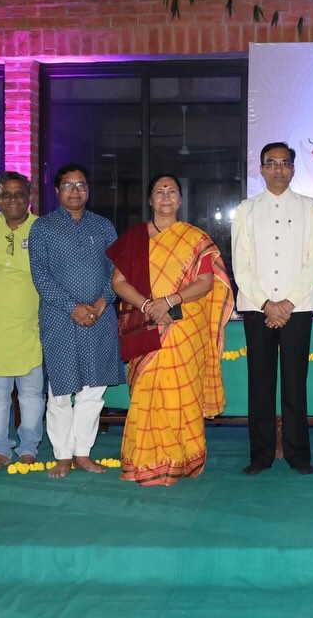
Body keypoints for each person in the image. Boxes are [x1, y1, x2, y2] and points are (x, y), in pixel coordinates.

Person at [108, 174, 234, 486]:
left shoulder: (196, 239)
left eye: (172, 191)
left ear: (179, 199)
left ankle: (182, 459)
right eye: (159, 191)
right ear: (150, 199)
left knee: (182, 394)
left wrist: (170, 301)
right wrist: (149, 306)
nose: (165, 197)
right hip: (146, 324)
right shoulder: (134, 239)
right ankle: (145, 461)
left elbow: (206, 283)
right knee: (148, 393)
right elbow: (118, 282)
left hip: (184, 328)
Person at [231, 143, 313, 476]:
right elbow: (240, 263)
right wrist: (265, 304)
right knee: (260, 381)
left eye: (285, 163)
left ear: (293, 169)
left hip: (297, 308)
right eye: (271, 163)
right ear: (261, 169)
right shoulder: (246, 209)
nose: (278, 169)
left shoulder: (309, 207)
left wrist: (286, 303)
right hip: (258, 308)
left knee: (294, 382)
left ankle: (299, 454)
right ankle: (261, 455)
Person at [29, 164, 124, 479]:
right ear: (57, 191)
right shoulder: (43, 227)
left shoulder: (104, 226)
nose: (75, 191)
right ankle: (62, 455)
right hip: (59, 318)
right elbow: (40, 276)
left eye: (81, 185)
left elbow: (117, 271)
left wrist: (100, 302)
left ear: (88, 190)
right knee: (60, 390)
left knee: (93, 390)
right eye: (68, 185)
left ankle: (82, 452)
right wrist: (73, 307)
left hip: (100, 316)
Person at [0, 171, 45, 472]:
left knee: (30, 394)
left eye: (19, 194)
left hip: (32, 328)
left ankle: (29, 448)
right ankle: (0, 449)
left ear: (29, 198)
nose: (13, 199)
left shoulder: (42, 229)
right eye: (6, 194)